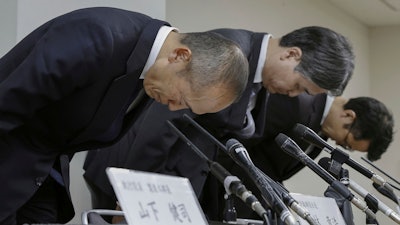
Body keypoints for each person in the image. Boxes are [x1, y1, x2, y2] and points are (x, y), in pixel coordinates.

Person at [0, 7, 250, 225]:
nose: (174, 108)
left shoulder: (147, 70)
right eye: (182, 99)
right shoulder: (99, 35)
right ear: (180, 56)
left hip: (37, 181)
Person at [83, 25, 355, 219]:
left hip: (171, 184)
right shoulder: (229, 51)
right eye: (299, 86)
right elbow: (160, 122)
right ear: (291, 55)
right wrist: (134, 193)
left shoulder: (262, 81)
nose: (294, 95)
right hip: (132, 171)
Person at [200, 93, 394, 221]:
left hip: (256, 207)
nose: (340, 146)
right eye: (346, 142)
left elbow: (272, 170)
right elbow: (237, 144)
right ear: (349, 116)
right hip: (219, 194)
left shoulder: (322, 134)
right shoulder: (297, 103)